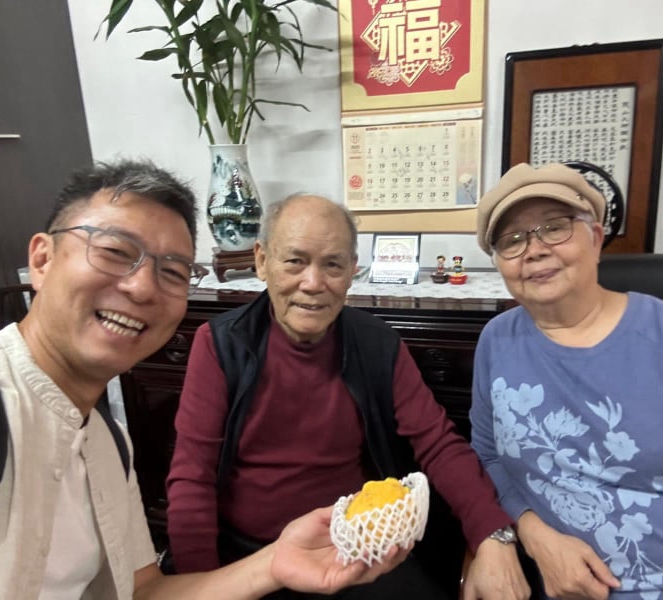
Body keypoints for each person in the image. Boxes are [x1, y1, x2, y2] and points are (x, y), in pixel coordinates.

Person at [0, 160, 411, 599]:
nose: (142, 287)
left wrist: (273, 564)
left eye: (172, 272)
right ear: (42, 259)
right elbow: (193, 475)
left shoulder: (109, 447)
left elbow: (144, 592)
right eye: (114, 253)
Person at [166, 193, 531, 599]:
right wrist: (201, 585)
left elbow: (439, 444)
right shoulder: (220, 345)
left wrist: (492, 534)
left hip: (352, 550)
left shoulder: (378, 344)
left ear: (353, 270)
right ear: (262, 260)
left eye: (333, 265)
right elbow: (192, 477)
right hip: (248, 555)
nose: (313, 283)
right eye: (295, 261)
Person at [469, 162, 663, 599]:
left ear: (596, 238)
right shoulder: (496, 340)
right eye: (512, 240)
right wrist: (532, 534)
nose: (534, 249)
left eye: (554, 227)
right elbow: (488, 456)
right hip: (563, 586)